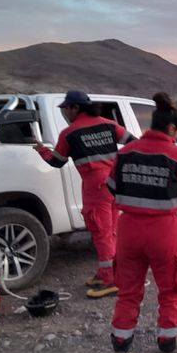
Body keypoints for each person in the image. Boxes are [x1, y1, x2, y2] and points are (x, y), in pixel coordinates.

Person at [107, 92, 177, 353]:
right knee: (171, 292)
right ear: (172, 129)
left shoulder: (125, 153)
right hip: (164, 232)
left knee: (127, 293)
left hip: (127, 230)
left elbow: (111, 188)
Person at [34, 90, 136, 299]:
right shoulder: (109, 124)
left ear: (75, 108)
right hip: (116, 185)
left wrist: (41, 150)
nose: (64, 113)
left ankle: (111, 280)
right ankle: (107, 272)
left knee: (101, 232)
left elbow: (57, 161)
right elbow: (133, 143)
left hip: (95, 188)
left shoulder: (70, 133)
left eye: (65, 109)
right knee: (113, 230)